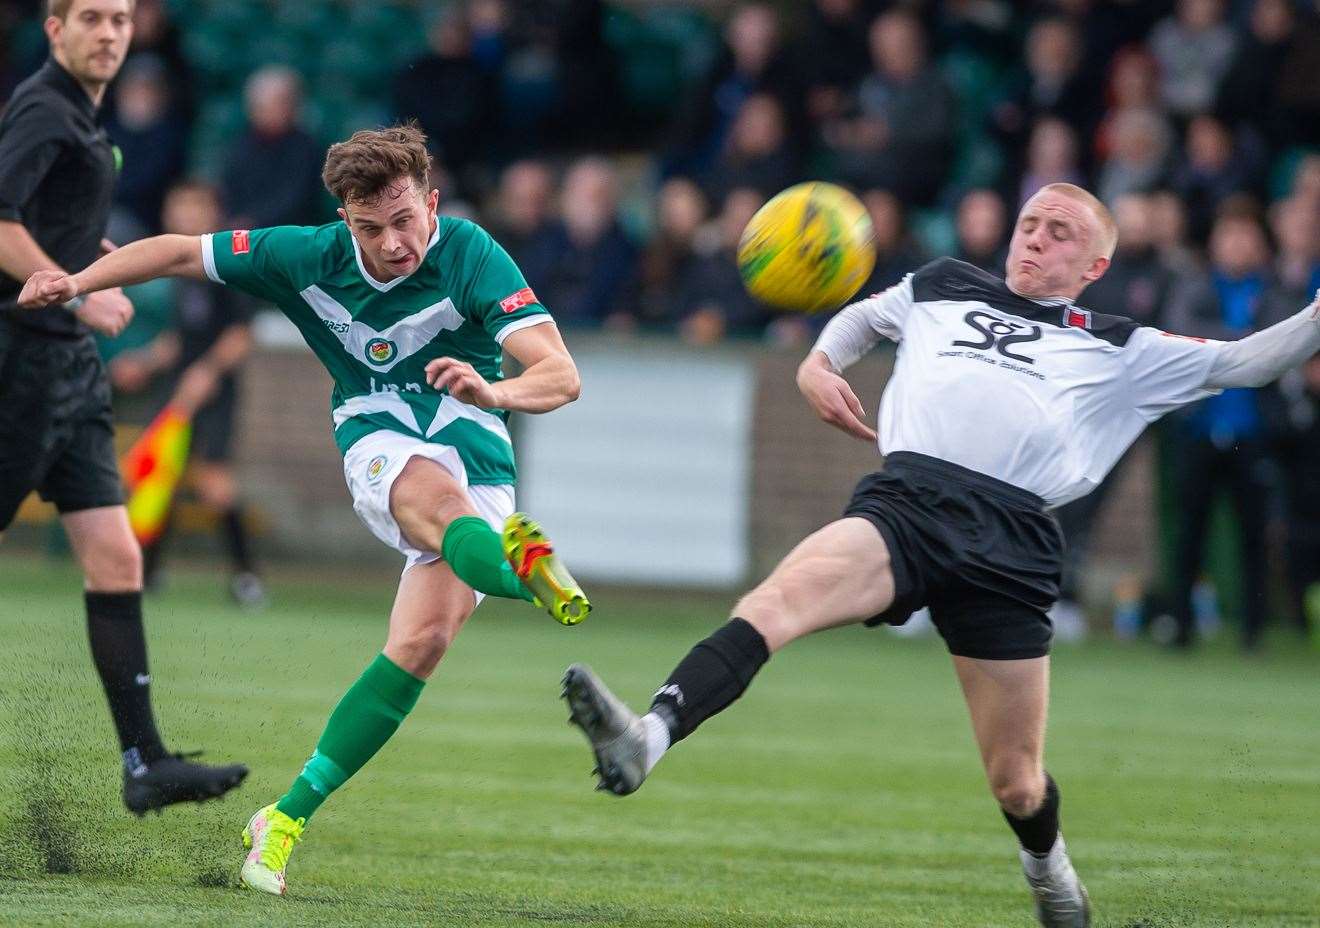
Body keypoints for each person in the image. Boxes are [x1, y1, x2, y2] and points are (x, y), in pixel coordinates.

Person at [559, 183, 1320, 927]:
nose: (1036, 236)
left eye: (1061, 232)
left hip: (1014, 542)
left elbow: (1248, 363)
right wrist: (817, 363)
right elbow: (859, 319)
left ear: (1094, 266)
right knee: (772, 604)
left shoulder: (1122, 343)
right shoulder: (943, 283)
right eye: (1030, 222)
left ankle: (1047, 869)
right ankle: (645, 737)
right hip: (910, 506)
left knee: (1016, 781)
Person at [20, 123, 592, 896]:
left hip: (475, 432)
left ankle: (281, 819)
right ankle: (526, 570)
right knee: (441, 504)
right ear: (344, 221)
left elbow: (560, 374)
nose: (393, 243)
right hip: (377, 430)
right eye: (370, 227)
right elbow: (179, 250)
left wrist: (496, 391)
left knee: (420, 644)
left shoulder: (471, 251)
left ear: (430, 200)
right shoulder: (303, 256)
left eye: (404, 220)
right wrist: (78, 282)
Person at [0, 0, 247, 816]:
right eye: (92, 19)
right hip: (23, 363)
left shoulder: (83, 115)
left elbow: (41, 219)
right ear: (54, 28)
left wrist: (85, 258)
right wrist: (77, 297)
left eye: (120, 19)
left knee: (117, 557)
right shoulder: (43, 106)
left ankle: (144, 761)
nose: (110, 33)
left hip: (68, 374)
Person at [107, 180, 265, 605]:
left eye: (194, 208)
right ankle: (148, 573)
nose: (185, 215)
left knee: (215, 484)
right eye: (178, 207)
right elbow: (180, 337)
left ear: (213, 212)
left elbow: (240, 336)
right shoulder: (179, 270)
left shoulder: (231, 263)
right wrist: (143, 363)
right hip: (177, 387)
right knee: (158, 476)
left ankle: (247, 578)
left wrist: (206, 374)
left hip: (214, 392)